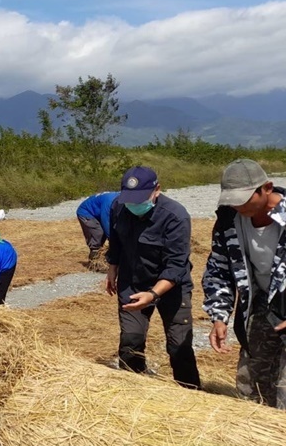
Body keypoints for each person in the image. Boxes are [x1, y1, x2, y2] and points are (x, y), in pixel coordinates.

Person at [106, 166, 201, 389]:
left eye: (139, 199)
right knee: (131, 341)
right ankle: (135, 389)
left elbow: (176, 265)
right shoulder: (119, 206)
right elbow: (116, 241)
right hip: (133, 282)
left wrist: (153, 294)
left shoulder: (175, 216)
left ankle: (190, 393)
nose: (133, 204)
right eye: (129, 199)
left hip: (172, 287)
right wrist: (112, 267)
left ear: (157, 190)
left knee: (180, 346)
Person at [203, 158, 286, 407]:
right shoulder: (229, 222)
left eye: (245, 198)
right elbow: (218, 270)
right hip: (262, 306)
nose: (238, 205)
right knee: (251, 386)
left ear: (267, 188)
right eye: (232, 200)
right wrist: (219, 316)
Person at [76, 191, 118, 262]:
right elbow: (106, 221)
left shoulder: (118, 197)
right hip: (87, 212)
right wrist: (112, 239)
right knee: (98, 234)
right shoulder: (109, 202)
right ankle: (94, 261)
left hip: (98, 212)